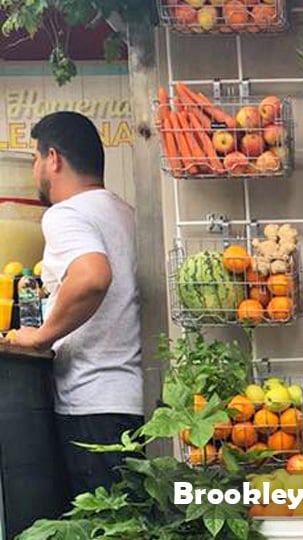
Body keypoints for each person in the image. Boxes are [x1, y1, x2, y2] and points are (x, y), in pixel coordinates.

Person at [10, 111, 143, 500]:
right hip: (132, 400)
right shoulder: (125, 213)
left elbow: (90, 276)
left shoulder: (66, 214)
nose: (34, 170)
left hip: (93, 407)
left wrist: (41, 336)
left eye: (34, 159)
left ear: (53, 158)